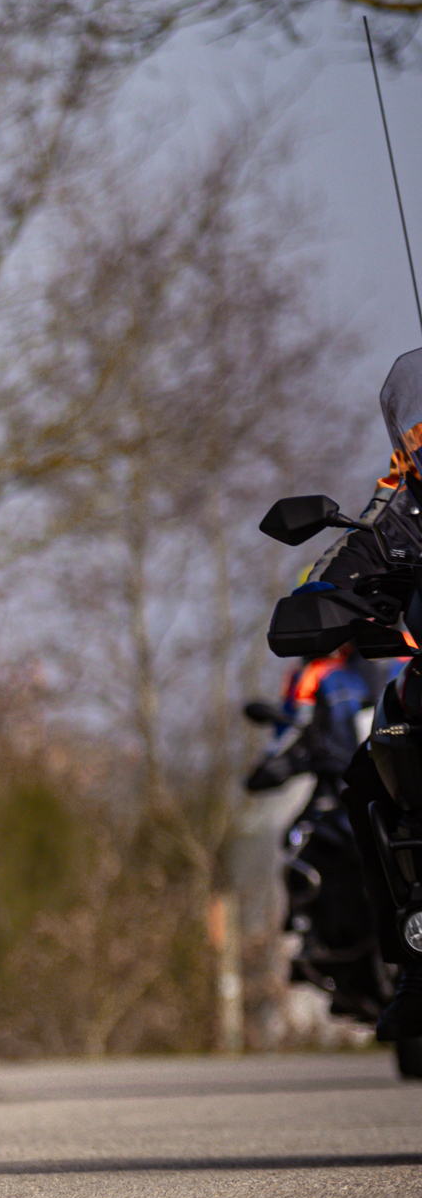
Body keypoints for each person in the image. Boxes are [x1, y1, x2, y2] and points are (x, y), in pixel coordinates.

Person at [269, 345, 422, 1046]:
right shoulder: (408, 500)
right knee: (373, 765)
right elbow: (350, 557)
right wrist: (325, 599)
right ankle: (411, 959)